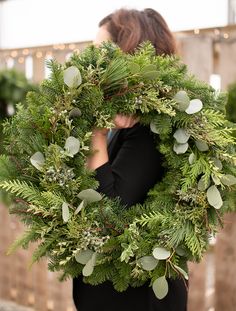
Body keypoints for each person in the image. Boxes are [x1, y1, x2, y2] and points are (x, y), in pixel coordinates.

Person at [73, 8, 188, 311]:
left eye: (100, 53)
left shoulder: (153, 129)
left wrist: (95, 133)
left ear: (127, 55)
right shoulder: (125, 123)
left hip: (138, 299)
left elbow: (107, 215)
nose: (91, 65)